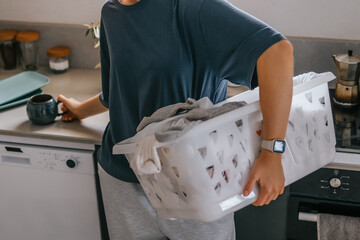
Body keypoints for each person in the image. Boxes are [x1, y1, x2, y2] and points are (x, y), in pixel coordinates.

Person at [58, 0, 293, 239]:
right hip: (124, 179)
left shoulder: (192, 7)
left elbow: (277, 53)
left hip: (193, 181)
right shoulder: (111, 13)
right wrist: (80, 110)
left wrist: (272, 152)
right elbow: (115, 90)